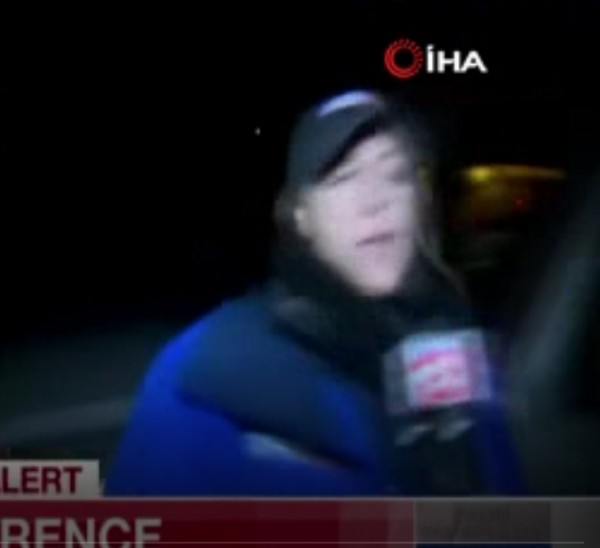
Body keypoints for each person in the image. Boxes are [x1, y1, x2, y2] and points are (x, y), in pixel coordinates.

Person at [105, 90, 524, 496]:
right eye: (342, 177)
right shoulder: (208, 369)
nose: (375, 200)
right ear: (301, 216)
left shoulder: (456, 347)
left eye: (396, 174)